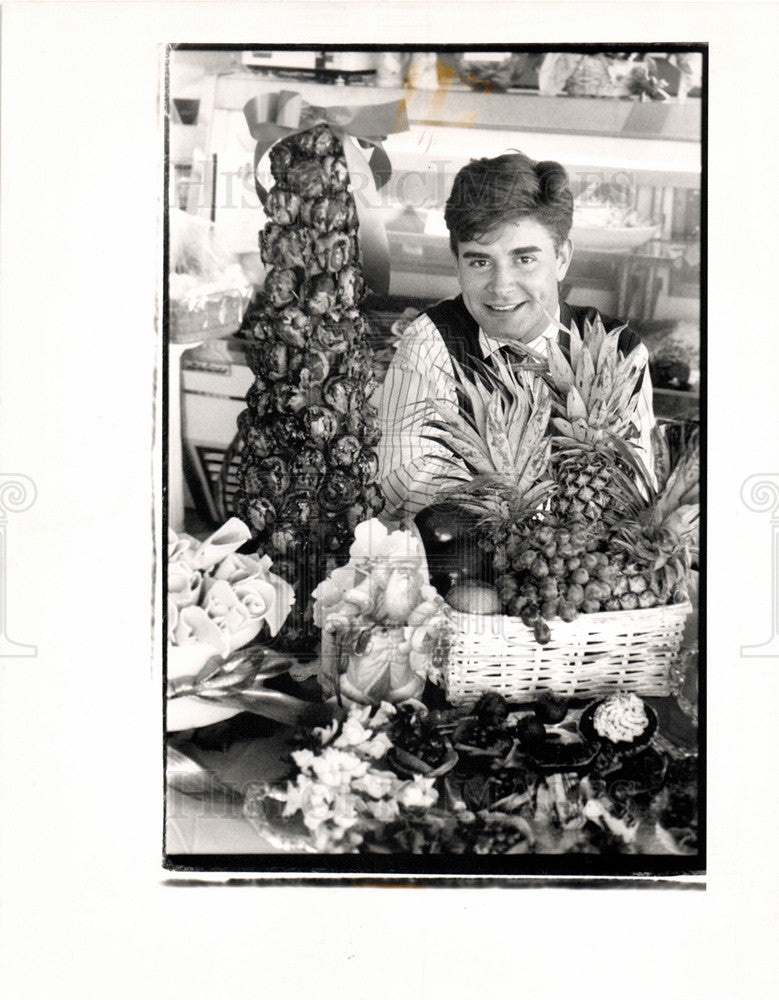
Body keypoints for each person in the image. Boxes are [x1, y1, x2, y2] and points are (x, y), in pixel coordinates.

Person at [376, 151, 655, 525]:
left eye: (524, 259)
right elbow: (402, 484)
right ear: (456, 262)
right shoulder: (431, 341)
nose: (501, 287)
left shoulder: (620, 352)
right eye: (479, 261)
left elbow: (636, 491)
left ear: (561, 259)